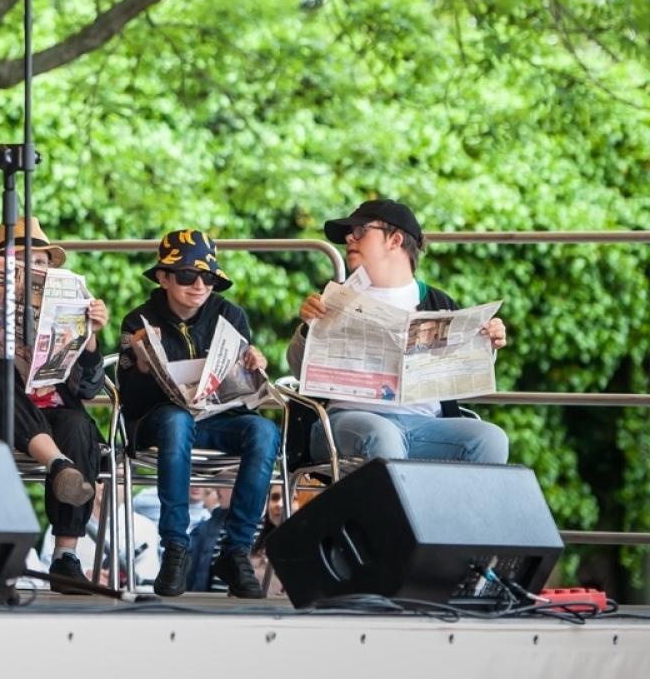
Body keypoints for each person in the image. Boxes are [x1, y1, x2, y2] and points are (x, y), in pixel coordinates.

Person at [116, 229, 280, 598]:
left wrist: (253, 366)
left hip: (219, 419)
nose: (199, 285)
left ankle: (236, 550)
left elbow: (245, 396)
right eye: (187, 275)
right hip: (161, 423)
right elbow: (130, 401)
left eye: (207, 277)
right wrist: (141, 366)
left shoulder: (230, 315)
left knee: (265, 433)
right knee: (177, 420)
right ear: (163, 277)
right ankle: (176, 546)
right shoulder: (137, 321)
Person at [0, 219, 109, 584]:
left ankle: (66, 556)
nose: (34, 267)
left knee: (80, 425)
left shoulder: (71, 310)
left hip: (53, 416)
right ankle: (57, 463)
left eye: (40, 262)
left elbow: (89, 389)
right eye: (21, 260)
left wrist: (93, 339)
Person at [289, 198, 509, 465]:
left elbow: (459, 375)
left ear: (394, 240)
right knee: (382, 436)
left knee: (490, 439)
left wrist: (487, 344)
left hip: (426, 425)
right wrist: (307, 328)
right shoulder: (335, 298)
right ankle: (398, 508)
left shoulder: (438, 304)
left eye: (360, 231)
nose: (349, 238)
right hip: (347, 421)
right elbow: (298, 368)